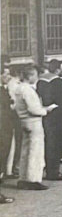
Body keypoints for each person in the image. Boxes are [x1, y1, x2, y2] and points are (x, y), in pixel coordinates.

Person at [14, 66, 58, 190]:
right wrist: (45, 110)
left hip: (23, 121)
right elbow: (33, 109)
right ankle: (33, 179)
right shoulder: (28, 90)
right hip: (33, 121)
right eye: (35, 75)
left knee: (25, 151)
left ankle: (23, 177)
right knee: (35, 152)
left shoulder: (19, 88)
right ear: (31, 76)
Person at [37, 59, 62, 181]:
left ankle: (49, 168)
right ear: (58, 69)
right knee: (57, 143)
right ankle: (54, 171)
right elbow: (61, 101)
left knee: (48, 142)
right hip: (58, 116)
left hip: (46, 115)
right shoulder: (57, 82)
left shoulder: (40, 81)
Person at [0, 62, 16, 203]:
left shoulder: (3, 90)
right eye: (5, 74)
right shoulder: (1, 91)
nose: (8, 76)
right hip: (3, 130)